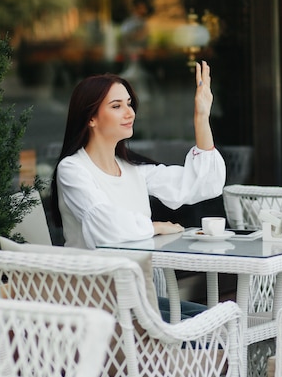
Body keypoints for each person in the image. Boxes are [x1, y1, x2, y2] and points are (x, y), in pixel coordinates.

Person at [50, 60, 225, 321]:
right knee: (214, 329)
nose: (129, 112)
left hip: (139, 296)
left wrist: (201, 116)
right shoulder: (73, 169)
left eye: (129, 104)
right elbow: (104, 226)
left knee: (221, 320)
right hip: (98, 303)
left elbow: (201, 184)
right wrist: (154, 226)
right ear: (91, 118)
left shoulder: (134, 169)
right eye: (117, 106)